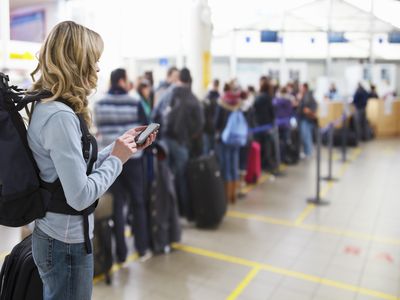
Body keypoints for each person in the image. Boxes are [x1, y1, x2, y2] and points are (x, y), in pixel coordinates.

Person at [27, 21, 156, 300]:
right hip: (65, 244)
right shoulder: (60, 117)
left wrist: (118, 147)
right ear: (77, 62)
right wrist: (118, 161)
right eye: (94, 61)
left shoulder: (50, 106)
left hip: (60, 239)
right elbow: (80, 196)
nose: (98, 69)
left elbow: (73, 170)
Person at [94, 69, 153, 263]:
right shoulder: (134, 101)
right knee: (138, 202)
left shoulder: (99, 104)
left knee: (116, 206)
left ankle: (120, 254)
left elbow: (98, 130)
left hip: (111, 160)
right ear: (121, 81)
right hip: (134, 160)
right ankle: (142, 248)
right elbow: (144, 128)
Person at [165, 68, 204, 220]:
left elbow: (157, 114)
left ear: (179, 79)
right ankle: (184, 212)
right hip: (182, 143)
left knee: (168, 177)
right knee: (182, 178)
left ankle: (170, 213)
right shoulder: (193, 99)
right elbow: (200, 124)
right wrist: (190, 136)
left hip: (166, 141)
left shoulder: (169, 94)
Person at [215, 82, 245, 204]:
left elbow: (216, 123)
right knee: (234, 166)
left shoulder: (222, 103)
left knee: (225, 167)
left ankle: (226, 196)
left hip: (224, 139)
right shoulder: (239, 103)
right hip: (237, 139)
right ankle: (234, 196)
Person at [254, 78, 276, 172]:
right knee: (267, 146)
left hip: (258, 125)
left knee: (260, 146)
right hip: (267, 125)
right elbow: (272, 112)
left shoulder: (258, 97)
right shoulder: (269, 98)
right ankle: (267, 164)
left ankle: (260, 165)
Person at [297, 83, 318, 158]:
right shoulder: (303, 96)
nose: (300, 88)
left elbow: (314, 106)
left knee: (306, 136)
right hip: (303, 118)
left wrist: (310, 110)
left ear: (305, 88)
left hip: (307, 119)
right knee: (304, 136)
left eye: (301, 87)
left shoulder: (308, 96)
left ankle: (308, 152)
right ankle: (306, 152)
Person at [203, 78, 221, 154]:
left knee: (209, 148)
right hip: (211, 127)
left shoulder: (207, 98)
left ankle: (209, 165)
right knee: (210, 149)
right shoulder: (219, 98)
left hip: (209, 127)